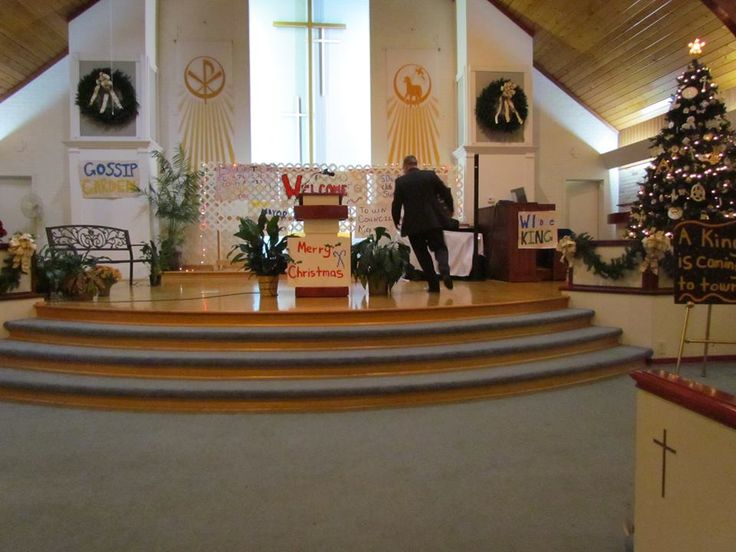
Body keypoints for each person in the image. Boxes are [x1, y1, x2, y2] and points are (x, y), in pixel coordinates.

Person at [391, 154, 454, 293]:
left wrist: (396, 221)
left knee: (422, 254)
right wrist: (450, 209)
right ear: (416, 164)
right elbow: (445, 192)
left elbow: (396, 204)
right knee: (440, 248)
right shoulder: (430, 175)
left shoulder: (401, 181)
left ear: (405, 166)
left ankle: (434, 285)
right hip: (433, 221)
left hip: (413, 225)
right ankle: (444, 270)